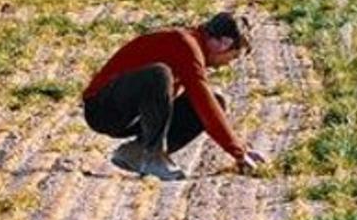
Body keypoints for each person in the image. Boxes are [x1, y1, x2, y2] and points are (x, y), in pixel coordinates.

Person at [81, 11, 267, 180]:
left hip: (135, 114)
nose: (227, 64)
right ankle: (153, 156)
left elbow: (206, 103)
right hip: (103, 110)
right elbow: (202, 100)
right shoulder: (185, 43)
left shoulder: (192, 47)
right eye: (232, 56)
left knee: (216, 99)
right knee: (159, 75)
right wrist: (237, 152)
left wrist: (242, 149)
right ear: (224, 43)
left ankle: (136, 153)